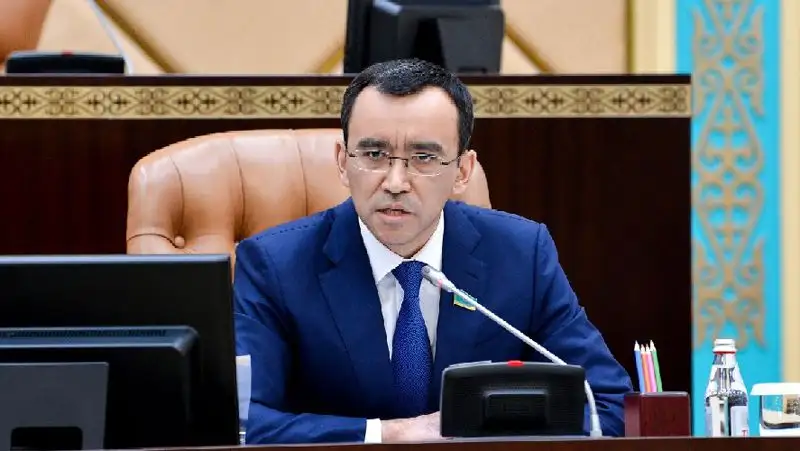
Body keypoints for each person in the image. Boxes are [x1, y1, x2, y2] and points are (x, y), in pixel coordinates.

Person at [234, 58, 632, 444]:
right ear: (342, 162)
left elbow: (607, 404)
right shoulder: (274, 266)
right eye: (373, 155)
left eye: (423, 158)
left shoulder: (521, 255)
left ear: (462, 171)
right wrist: (389, 434)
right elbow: (245, 422)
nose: (395, 182)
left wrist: (488, 434)